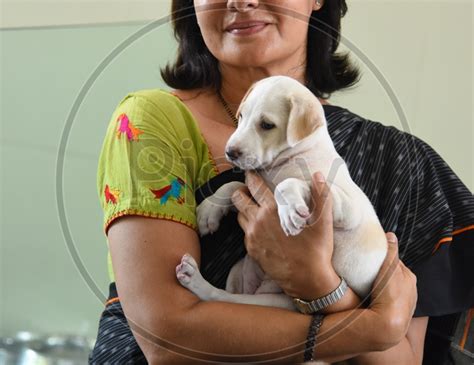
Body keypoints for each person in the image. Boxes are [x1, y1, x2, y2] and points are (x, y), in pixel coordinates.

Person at [89, 0, 474, 363]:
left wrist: (319, 285)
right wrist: (373, 326)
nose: (241, 1)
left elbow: (402, 359)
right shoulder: (153, 122)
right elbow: (166, 339)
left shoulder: (399, 162)